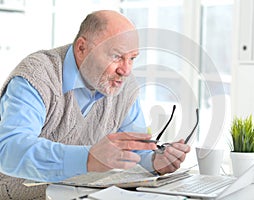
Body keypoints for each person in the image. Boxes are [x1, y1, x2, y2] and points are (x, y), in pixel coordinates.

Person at [0, 10, 191, 199]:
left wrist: (156, 162)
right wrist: (88, 158)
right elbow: (9, 150)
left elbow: (136, 150)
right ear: (82, 48)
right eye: (116, 56)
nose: (125, 70)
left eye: (132, 59)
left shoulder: (123, 85)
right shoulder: (37, 76)